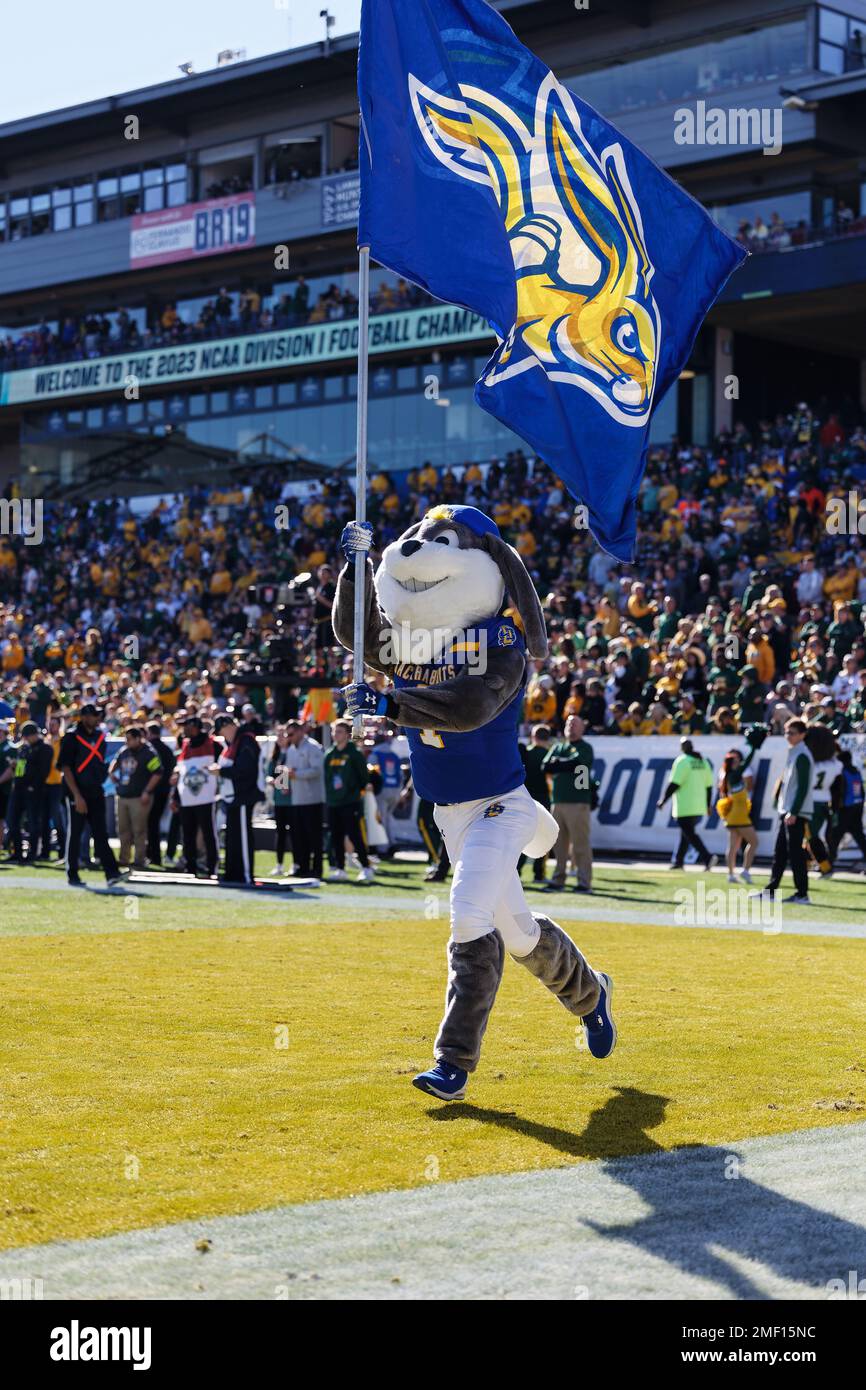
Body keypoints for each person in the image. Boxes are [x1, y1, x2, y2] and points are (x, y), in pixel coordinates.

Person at [58, 703, 124, 888]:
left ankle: (111, 873)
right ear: (85, 717)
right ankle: (72, 873)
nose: (97, 719)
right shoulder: (71, 737)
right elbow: (66, 768)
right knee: (76, 833)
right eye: (94, 715)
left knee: (101, 833)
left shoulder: (100, 737)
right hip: (76, 791)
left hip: (96, 791)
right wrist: (77, 795)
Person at [756, 718, 814, 904]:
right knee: (780, 852)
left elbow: (803, 787)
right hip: (788, 811)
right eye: (787, 732)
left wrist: (794, 811)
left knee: (795, 853)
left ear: (802, 734)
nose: (788, 736)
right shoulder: (794, 753)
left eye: (793, 732)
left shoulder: (802, 755)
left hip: (795, 812)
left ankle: (802, 893)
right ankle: (771, 890)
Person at [543, 714, 595, 892]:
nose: (570, 726)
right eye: (568, 723)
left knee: (580, 844)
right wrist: (560, 764)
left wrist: (559, 763)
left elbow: (576, 763)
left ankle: (584, 881)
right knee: (559, 845)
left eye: (575, 723)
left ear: (582, 728)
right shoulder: (559, 746)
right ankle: (558, 878)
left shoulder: (585, 747)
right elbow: (546, 766)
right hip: (557, 800)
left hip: (578, 801)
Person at [215, 713, 263, 885]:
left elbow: (245, 770)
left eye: (222, 731)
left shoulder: (246, 741)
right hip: (234, 797)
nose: (222, 735)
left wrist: (221, 771)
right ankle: (233, 873)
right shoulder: (235, 742)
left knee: (242, 836)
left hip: (244, 795)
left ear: (229, 726)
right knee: (233, 836)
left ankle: (245, 874)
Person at [324, 720, 374, 883]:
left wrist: (353, 793)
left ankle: (366, 867)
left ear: (347, 734)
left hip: (350, 802)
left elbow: (363, 778)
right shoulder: (329, 754)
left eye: (339, 731)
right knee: (336, 836)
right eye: (334, 731)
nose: (335, 734)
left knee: (354, 835)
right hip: (333, 802)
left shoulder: (354, 753)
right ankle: (340, 868)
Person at [108, 726, 163, 870]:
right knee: (123, 830)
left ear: (138, 739)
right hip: (123, 795)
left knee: (139, 830)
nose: (127, 742)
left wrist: (147, 791)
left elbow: (157, 773)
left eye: (129, 739)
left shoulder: (148, 753)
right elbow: (115, 762)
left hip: (139, 797)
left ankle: (139, 859)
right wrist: (112, 773)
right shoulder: (124, 751)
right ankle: (124, 859)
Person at [172, 715, 221, 878]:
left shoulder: (213, 744)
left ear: (194, 726)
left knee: (209, 835)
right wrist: (175, 797)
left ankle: (211, 868)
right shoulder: (185, 746)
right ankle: (190, 868)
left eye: (185, 726)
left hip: (206, 799)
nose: (183, 730)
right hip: (187, 799)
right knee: (188, 836)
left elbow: (223, 766)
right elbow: (179, 772)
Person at [658, 738, 716, 871]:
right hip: (699, 804)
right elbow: (709, 786)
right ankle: (679, 861)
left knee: (689, 834)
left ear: (682, 748)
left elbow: (674, 783)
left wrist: (663, 800)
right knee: (685, 833)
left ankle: (707, 857)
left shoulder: (682, 761)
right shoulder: (703, 761)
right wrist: (707, 804)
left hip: (685, 804)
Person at [283, 720, 325, 882]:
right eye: (287, 735)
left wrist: (297, 774)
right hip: (297, 799)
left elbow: (317, 770)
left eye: (291, 734)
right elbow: (287, 770)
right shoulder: (292, 749)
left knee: (314, 837)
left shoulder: (313, 747)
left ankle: (317, 869)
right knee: (299, 837)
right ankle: (302, 867)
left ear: (301, 732)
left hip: (312, 799)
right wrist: (284, 784)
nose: (289, 738)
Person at [6, 721, 52, 862]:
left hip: (33, 791)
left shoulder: (44, 749)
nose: (25, 739)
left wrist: (33, 786)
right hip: (18, 789)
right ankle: (17, 853)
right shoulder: (24, 749)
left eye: (27, 736)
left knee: (33, 824)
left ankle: (32, 854)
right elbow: (21, 768)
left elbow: (43, 771)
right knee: (12, 822)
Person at [804, 724, 842, 878]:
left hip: (809, 803)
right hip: (824, 803)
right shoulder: (835, 764)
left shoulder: (808, 763)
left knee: (811, 836)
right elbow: (837, 789)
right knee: (807, 836)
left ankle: (825, 866)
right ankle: (805, 864)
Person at [717, 746, 758, 883]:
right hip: (740, 815)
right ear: (732, 763)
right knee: (754, 842)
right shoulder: (734, 775)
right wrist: (754, 748)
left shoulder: (729, 775)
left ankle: (730, 875)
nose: (739, 763)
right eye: (736, 761)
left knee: (733, 846)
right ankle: (745, 871)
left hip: (733, 815)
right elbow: (746, 762)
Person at [517, 724, 553, 885]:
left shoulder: (526, 753)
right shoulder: (550, 754)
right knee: (544, 837)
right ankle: (539, 873)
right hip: (544, 799)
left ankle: (516, 870)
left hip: (526, 798)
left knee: (522, 837)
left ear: (533, 737)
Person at [827, 749, 866, 868]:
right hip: (857, 807)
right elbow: (861, 791)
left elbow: (838, 792)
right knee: (859, 836)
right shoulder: (856, 771)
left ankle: (829, 862)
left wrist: (834, 808)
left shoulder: (842, 772)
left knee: (835, 836)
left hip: (846, 809)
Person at [145, 720, 175, 866]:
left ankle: (151, 855)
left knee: (149, 823)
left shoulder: (150, 749)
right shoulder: (167, 750)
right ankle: (153, 855)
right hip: (164, 791)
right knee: (154, 823)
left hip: (151, 791)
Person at [267, 725, 294, 877]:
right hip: (279, 801)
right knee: (280, 834)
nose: (280, 738)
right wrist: (275, 782)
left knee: (295, 834)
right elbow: (269, 775)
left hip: (293, 801)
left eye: (283, 735)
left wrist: (281, 784)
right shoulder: (275, 756)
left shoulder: (292, 753)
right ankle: (279, 864)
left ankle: (295, 864)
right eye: (278, 735)